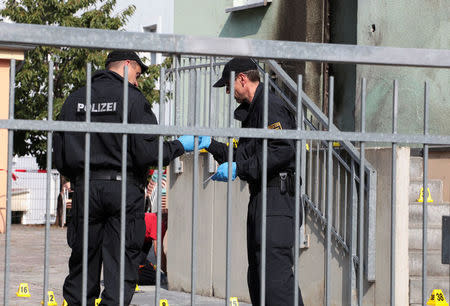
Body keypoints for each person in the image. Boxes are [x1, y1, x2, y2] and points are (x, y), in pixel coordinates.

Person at [53, 50, 202, 305]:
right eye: (137, 73)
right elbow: (148, 153)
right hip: (123, 190)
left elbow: (59, 156)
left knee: (82, 263)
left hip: (85, 188)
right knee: (120, 266)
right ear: (127, 66)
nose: (137, 80)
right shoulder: (133, 99)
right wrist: (179, 146)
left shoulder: (75, 99)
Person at [201, 58, 304, 305]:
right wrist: (211, 145)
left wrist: (240, 167)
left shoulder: (270, 106)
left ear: (242, 79)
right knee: (259, 278)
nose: (228, 92)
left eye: (228, 85)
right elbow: (248, 157)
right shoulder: (255, 111)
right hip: (263, 199)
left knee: (274, 280)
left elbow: (282, 150)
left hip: (277, 199)